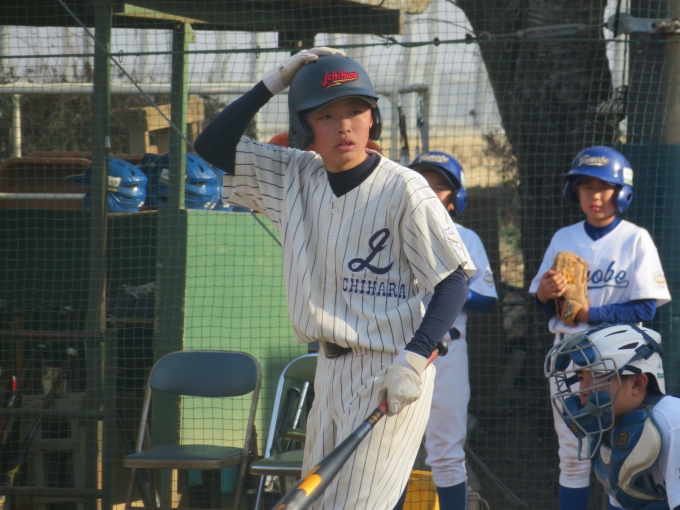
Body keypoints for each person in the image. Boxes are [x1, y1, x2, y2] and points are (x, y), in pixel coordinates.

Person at [194, 48, 476, 509]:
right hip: (327, 371)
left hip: (389, 370)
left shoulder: (405, 188)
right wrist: (274, 82)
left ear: (372, 120)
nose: (344, 125)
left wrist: (413, 358)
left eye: (355, 110)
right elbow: (211, 146)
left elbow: (453, 282)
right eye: (326, 115)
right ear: (305, 127)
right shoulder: (293, 173)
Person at [529, 146, 671, 510]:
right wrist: (545, 293)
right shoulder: (563, 237)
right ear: (574, 191)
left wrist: (588, 313)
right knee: (573, 455)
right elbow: (544, 303)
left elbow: (645, 307)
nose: (595, 195)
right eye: (586, 186)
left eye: (604, 186)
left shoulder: (636, 238)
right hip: (570, 356)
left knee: (622, 450)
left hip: (619, 359)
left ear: (621, 192)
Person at [404, 151, 497, 509]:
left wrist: (451, 290)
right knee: (388, 450)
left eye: (440, 185)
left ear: (456, 198)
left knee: (446, 451)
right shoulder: (394, 231)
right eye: (423, 182)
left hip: (446, 351)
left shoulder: (466, 238)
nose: (430, 190)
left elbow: (487, 301)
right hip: (396, 349)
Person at [545, 324, 680, 510]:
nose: (583, 391)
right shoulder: (611, 425)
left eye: (597, 376)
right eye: (581, 377)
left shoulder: (673, 426)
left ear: (637, 383)